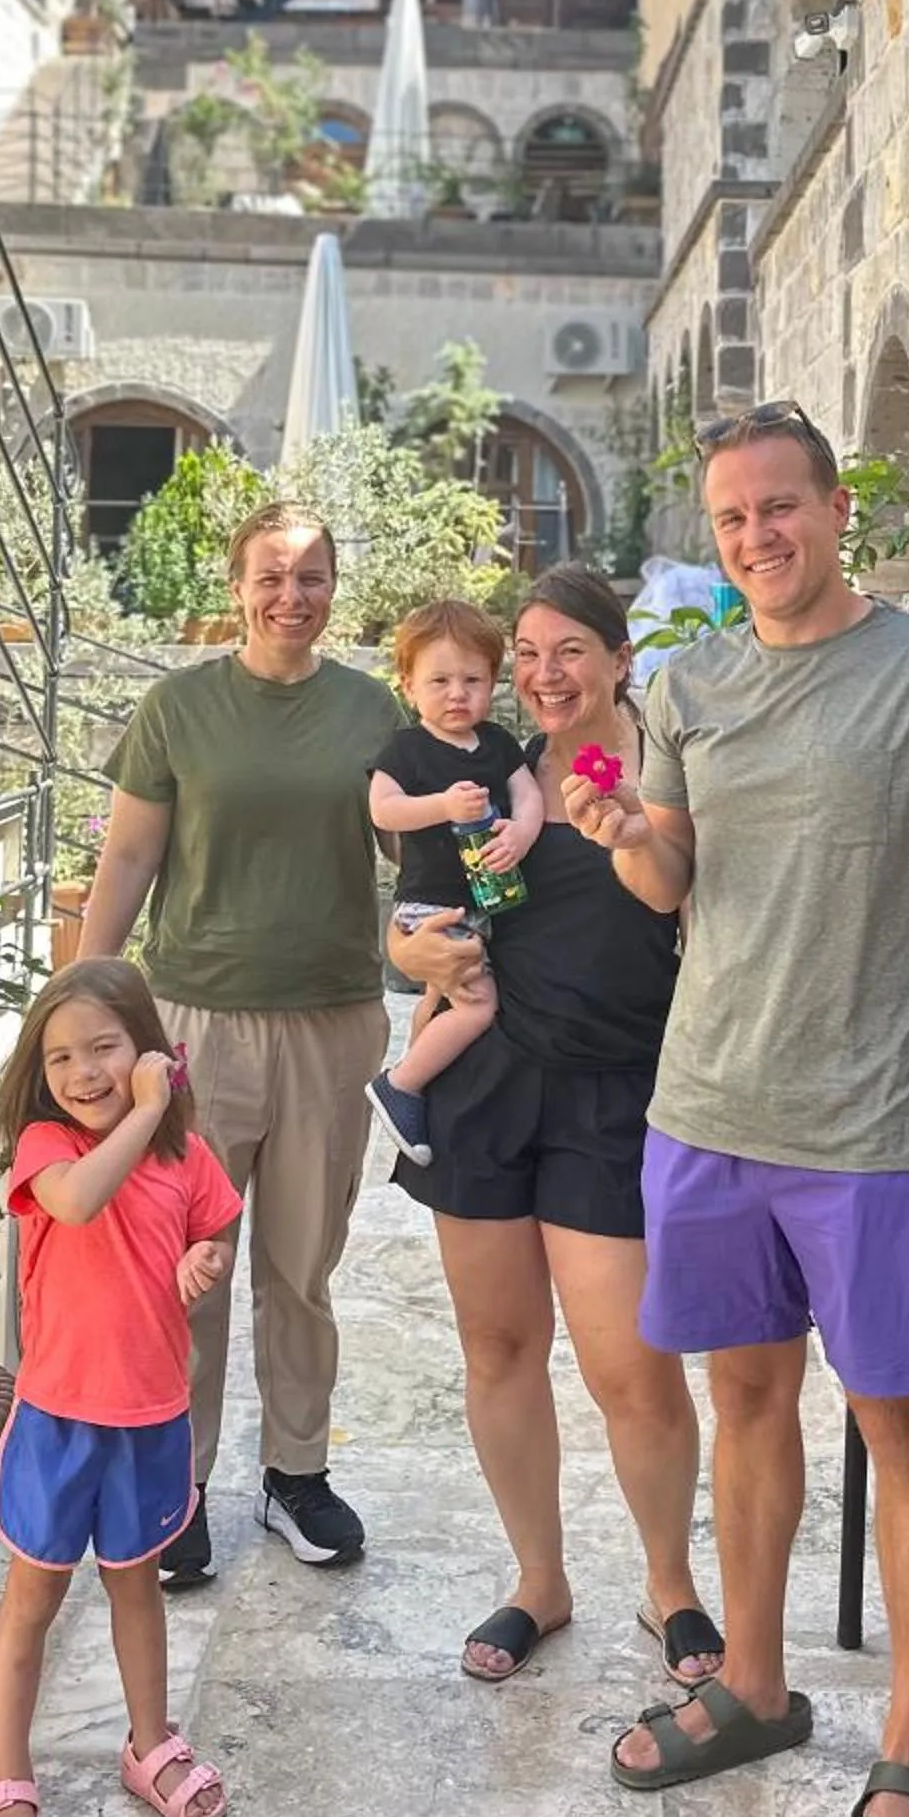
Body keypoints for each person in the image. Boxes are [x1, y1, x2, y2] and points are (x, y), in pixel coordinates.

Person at [566, 402, 909, 1817]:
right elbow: (672, 879)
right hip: (706, 1108)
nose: (757, 536)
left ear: (836, 511)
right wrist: (616, 831)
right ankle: (756, 1688)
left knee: (901, 1424)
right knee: (746, 1398)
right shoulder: (691, 684)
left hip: (875, 1124)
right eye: (730, 520)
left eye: (780, 507)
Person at [388, 566, 723, 1689]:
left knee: (630, 1366)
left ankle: (669, 1583)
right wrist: (410, 954)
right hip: (484, 1082)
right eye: (525, 654)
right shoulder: (488, 766)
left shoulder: (673, 765)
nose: (541, 674)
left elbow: (694, 907)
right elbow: (419, 905)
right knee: (498, 1349)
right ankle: (541, 1579)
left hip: (613, 1093)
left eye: (568, 649)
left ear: (622, 658)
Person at [79, 502, 399, 1584]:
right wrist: (92, 1002)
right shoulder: (179, 708)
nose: (291, 596)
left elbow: (422, 852)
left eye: (311, 577)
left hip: (330, 1021)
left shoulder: (372, 712)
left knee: (301, 1266)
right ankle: (181, 1484)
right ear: (237, 588)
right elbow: (125, 862)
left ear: (333, 591)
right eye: (272, 576)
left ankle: (295, 1475)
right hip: (195, 1027)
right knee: (189, 1270)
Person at [0, 958, 243, 1817]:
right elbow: (81, 1206)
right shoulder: (49, 1150)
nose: (83, 1074)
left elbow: (212, 1226)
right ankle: (7, 1776)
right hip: (58, 1421)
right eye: (60, 1060)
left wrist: (202, 1261)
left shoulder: (183, 1157)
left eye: (104, 1050)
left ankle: (149, 1742)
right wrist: (145, 1109)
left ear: (149, 1051)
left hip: (151, 1415)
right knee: (33, 1599)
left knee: (137, 1586)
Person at [365, 597, 545, 1168]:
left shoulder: (495, 744)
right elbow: (384, 811)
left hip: (485, 901)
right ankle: (402, 1085)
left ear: (494, 682)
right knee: (477, 1007)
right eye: (438, 680)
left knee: (443, 1001)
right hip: (431, 906)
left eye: (473, 679)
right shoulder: (407, 749)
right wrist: (441, 804)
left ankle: (424, 1075)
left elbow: (528, 795)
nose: (456, 694)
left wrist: (520, 834)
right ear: (408, 685)